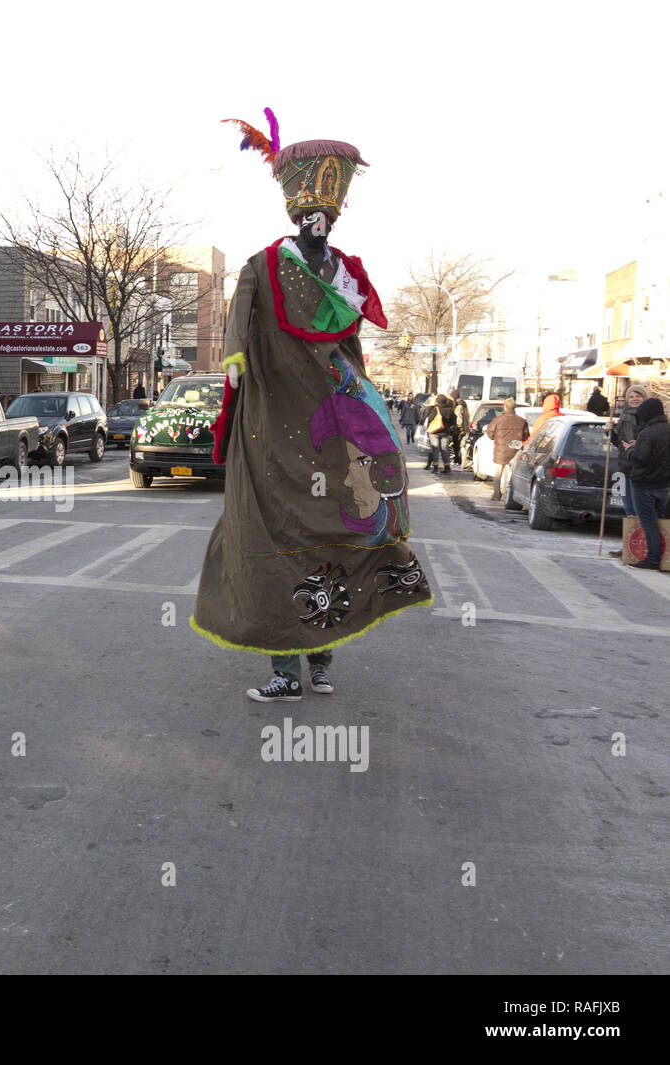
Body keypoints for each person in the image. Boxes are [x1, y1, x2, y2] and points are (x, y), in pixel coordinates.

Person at [192, 111, 431, 702]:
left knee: (336, 534)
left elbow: (350, 345)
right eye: (308, 216)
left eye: (326, 215)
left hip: (329, 415)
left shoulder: (347, 274)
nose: (317, 222)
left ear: (335, 217)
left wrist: (364, 399)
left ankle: (321, 659)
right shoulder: (260, 266)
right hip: (272, 415)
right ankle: (282, 670)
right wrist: (236, 360)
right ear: (296, 216)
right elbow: (238, 323)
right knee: (274, 538)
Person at [619, 396, 670, 570]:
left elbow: (640, 459)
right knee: (661, 521)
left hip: (644, 484)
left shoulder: (647, 433)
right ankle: (664, 557)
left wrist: (631, 449)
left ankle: (653, 559)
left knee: (649, 523)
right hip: (663, 484)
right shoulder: (667, 429)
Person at [610, 385, 647, 518]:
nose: (634, 399)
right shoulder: (623, 415)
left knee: (639, 508)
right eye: (631, 397)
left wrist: (640, 443)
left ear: (644, 398)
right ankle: (633, 537)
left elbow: (655, 440)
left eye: (638, 396)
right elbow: (619, 443)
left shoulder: (647, 416)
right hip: (624, 466)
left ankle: (643, 537)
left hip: (639, 468)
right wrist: (610, 431)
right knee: (629, 509)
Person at [483, 398, 529, 501]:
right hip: (515, 450)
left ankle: (496, 494)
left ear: (504, 406)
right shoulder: (522, 421)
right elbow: (526, 436)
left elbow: (490, 434)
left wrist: (498, 439)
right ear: (515, 407)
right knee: (511, 472)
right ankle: (506, 492)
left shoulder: (497, 420)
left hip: (501, 450)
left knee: (498, 471)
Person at [424, 393, 456, 473]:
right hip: (445, 433)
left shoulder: (436, 409)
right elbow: (454, 422)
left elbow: (430, 419)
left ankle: (435, 468)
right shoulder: (450, 410)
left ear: (437, 401)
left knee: (435, 449)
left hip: (434, 432)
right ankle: (447, 467)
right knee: (444, 450)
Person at [449, 388, 470, 468]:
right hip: (464, 429)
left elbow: (459, 419)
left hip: (459, 430)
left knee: (457, 447)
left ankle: (458, 463)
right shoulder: (464, 404)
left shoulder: (458, 406)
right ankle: (458, 462)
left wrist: (455, 428)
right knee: (460, 446)